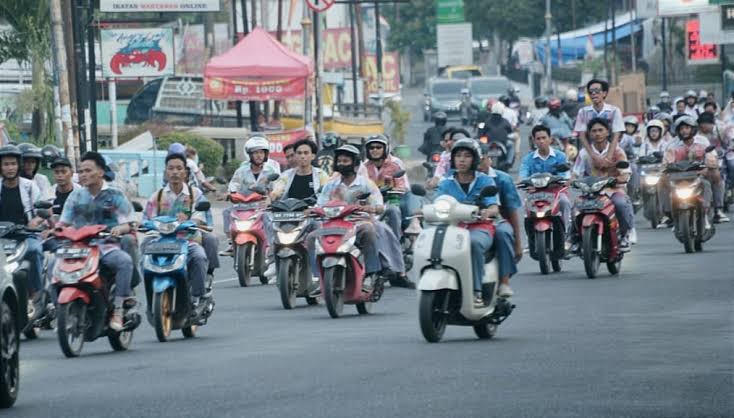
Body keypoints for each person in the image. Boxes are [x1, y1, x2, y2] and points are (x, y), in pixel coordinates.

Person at [57, 151, 138, 331]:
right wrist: (54, 230)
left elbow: (129, 223)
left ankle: (118, 308)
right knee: (53, 264)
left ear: (100, 172)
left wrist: (119, 229)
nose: (83, 174)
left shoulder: (115, 194)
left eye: (88, 170)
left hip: (107, 245)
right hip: (79, 248)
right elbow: (63, 222)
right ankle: (57, 309)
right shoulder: (75, 196)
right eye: (81, 171)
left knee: (124, 262)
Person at [312, 145, 406, 290]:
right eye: (340, 161)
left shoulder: (366, 184)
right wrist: (312, 211)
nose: (342, 164)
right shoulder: (330, 186)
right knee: (312, 236)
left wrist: (370, 208)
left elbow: (379, 204)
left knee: (369, 230)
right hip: (333, 224)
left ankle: (371, 273)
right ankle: (317, 277)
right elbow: (320, 204)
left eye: (346, 161)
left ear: (355, 163)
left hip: (358, 223)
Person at [434, 139, 505, 306]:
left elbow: (494, 206)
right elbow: (437, 203)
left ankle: (476, 291)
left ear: (474, 159)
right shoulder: (446, 183)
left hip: (479, 227)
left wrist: (488, 211)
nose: (462, 160)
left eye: (467, 156)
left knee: (472, 244)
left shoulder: (485, 181)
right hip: (452, 227)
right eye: (458, 156)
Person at [142, 153, 213, 307]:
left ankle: (199, 296)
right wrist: (146, 225)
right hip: (161, 241)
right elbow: (147, 218)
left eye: (179, 168)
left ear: (185, 172)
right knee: (144, 252)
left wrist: (191, 221)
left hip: (187, 240)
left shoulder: (196, 195)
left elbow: (201, 216)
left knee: (199, 256)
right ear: (166, 172)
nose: (175, 172)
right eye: (171, 168)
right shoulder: (157, 196)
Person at [572, 118, 636, 251]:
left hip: (614, 190)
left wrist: (621, 178)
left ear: (607, 132)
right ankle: (574, 238)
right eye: (594, 131)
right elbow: (575, 173)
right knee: (575, 208)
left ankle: (627, 234)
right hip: (590, 193)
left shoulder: (618, 151)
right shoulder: (584, 153)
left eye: (601, 130)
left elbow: (625, 172)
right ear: (589, 134)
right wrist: (571, 181)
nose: (597, 134)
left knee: (621, 204)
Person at [0, 145, 45, 316]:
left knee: (34, 251)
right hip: (2, 237)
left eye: (13, 164)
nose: (9, 168)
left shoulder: (30, 186)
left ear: (19, 165)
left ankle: (35, 295)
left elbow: (44, 211)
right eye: (5, 164)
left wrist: (35, 221)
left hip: (25, 235)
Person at [220, 136, 281, 259]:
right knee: (226, 212)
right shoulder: (241, 170)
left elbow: (277, 186)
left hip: (263, 205)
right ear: (249, 155)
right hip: (244, 205)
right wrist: (229, 193)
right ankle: (231, 242)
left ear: (266, 154)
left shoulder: (271, 169)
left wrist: (271, 196)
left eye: (261, 152)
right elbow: (234, 183)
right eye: (255, 153)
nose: (259, 156)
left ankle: (271, 245)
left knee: (268, 218)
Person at [660, 116, 724, 226]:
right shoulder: (672, 145)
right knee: (662, 180)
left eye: (687, 128)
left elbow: (711, 157)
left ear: (693, 129)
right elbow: (666, 162)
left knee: (713, 177)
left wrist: (708, 166)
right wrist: (665, 168)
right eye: (681, 129)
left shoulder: (702, 141)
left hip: (699, 175)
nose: (684, 131)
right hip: (679, 177)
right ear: (678, 131)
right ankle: (668, 214)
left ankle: (716, 210)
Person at [479, 143, 523, 298]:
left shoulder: (502, 179)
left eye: (481, 159)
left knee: (503, 233)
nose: (478, 164)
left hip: (496, 220)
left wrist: (517, 242)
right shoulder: (456, 177)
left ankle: (504, 282)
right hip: (465, 221)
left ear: (488, 159)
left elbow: (511, 211)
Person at [357, 135, 419, 242]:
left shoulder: (395, 163)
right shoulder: (363, 166)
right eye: (371, 148)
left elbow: (403, 185)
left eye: (378, 147)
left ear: (386, 148)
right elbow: (361, 186)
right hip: (373, 202)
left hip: (393, 198)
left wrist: (395, 189)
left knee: (398, 208)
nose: (375, 150)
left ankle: (398, 239)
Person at [519, 125, 572, 235]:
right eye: (538, 139)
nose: (541, 141)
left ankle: (566, 233)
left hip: (556, 192)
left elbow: (565, 176)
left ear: (550, 139)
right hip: (535, 193)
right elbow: (523, 175)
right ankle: (530, 238)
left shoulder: (560, 156)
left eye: (544, 138)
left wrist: (562, 181)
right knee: (527, 209)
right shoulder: (527, 159)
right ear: (534, 141)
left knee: (564, 202)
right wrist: (524, 183)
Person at [573, 79, 626, 170]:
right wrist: (593, 156)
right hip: (590, 150)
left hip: (611, 149)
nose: (593, 94)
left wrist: (608, 157)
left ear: (604, 93)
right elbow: (582, 136)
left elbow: (616, 134)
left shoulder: (614, 111)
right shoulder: (583, 112)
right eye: (591, 92)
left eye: (597, 91)